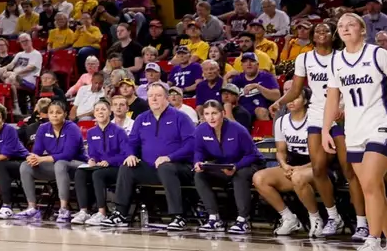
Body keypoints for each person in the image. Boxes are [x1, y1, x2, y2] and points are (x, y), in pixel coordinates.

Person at [322, 12, 387, 251]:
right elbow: (332, 98)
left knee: (371, 185)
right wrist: (327, 129)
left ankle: (372, 242)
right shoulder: (336, 61)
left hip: (381, 126)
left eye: (351, 24)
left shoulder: (378, 54)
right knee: (374, 191)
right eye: (340, 25)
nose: (345, 28)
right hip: (354, 131)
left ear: (363, 30)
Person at [279, 18, 354, 236]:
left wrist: (343, 106)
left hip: (340, 116)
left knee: (349, 170)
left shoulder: (342, 57)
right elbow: (295, 90)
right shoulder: (304, 58)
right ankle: (333, 217)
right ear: (312, 36)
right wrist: (279, 102)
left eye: (326, 30)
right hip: (317, 116)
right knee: (318, 168)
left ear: (334, 35)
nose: (321, 32)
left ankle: (362, 220)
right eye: (317, 30)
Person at [110, 81, 196, 229]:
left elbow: (191, 145)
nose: (154, 99)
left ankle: (177, 216)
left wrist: (170, 157)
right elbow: (132, 143)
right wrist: (130, 155)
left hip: (179, 167)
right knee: (127, 167)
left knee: (166, 167)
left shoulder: (180, 117)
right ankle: (120, 213)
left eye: (158, 95)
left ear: (167, 98)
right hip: (151, 168)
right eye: (150, 96)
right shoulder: (141, 118)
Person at [254, 94, 327, 236]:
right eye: (289, 98)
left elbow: (324, 156)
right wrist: (284, 165)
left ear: (306, 101)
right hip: (292, 167)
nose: (291, 101)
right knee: (259, 178)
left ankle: (316, 218)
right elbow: (280, 151)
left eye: (296, 98)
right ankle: (289, 218)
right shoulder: (281, 121)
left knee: (298, 177)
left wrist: (300, 168)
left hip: (317, 168)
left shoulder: (315, 120)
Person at [191, 99, 261, 233]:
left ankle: (243, 219)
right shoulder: (201, 130)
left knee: (240, 175)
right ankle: (214, 217)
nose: (211, 118)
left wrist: (236, 166)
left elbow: (253, 155)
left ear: (223, 113)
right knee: (199, 175)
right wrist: (198, 162)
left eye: (214, 113)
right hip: (223, 166)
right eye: (207, 114)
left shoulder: (238, 129)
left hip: (248, 164)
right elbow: (198, 151)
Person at [19, 99, 83, 222]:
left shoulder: (72, 128)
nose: (54, 115)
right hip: (56, 166)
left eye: (58, 112)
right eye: (51, 112)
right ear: (47, 114)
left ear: (65, 114)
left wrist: (41, 158)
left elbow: (68, 154)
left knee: (60, 164)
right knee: (25, 166)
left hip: (76, 166)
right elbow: (37, 151)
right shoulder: (43, 128)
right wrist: (32, 158)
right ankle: (32, 207)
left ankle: (64, 209)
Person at [71, 99, 127, 225]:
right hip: (99, 166)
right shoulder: (91, 132)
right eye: (97, 110)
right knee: (80, 172)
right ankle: (83, 211)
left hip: (116, 167)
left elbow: (125, 155)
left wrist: (109, 161)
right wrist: (92, 159)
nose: (100, 112)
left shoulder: (119, 131)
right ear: (94, 114)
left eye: (103, 109)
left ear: (109, 112)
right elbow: (93, 153)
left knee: (98, 175)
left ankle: (102, 212)